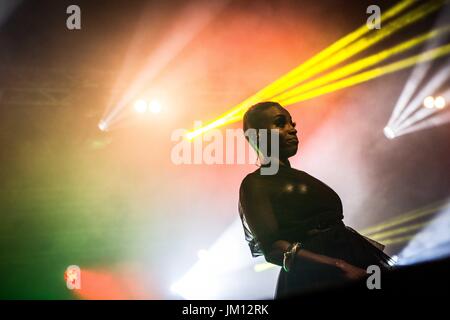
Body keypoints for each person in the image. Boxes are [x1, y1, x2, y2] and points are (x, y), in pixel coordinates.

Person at [238, 101, 392, 298]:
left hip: (351, 258)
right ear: (255, 136)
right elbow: (273, 249)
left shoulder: (301, 177)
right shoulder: (255, 184)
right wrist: (339, 266)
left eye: (292, 124)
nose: (292, 129)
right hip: (317, 276)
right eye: (280, 123)